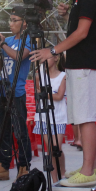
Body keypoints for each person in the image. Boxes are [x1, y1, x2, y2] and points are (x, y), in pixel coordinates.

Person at [30, 0, 96, 188]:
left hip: (85, 63)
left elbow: (83, 33)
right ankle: (91, 166)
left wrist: (52, 50)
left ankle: (88, 171)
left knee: (85, 117)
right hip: (78, 61)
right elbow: (80, 29)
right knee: (80, 117)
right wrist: (67, 17)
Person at [0, 6, 33, 182]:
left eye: (14, 20)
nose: (10, 23)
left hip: (16, 92)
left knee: (20, 131)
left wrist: (2, 43)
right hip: (1, 90)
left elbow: (19, 57)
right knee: (2, 131)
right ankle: (3, 166)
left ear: (24, 23)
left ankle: (24, 166)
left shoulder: (28, 40)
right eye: (9, 20)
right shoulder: (8, 40)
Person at [33, 50, 67, 182]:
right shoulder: (39, 76)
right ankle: (54, 180)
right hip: (43, 116)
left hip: (58, 116)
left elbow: (59, 96)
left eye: (46, 57)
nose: (43, 60)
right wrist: (46, 94)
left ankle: (62, 173)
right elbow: (38, 93)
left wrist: (44, 93)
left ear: (56, 58)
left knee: (56, 148)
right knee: (51, 149)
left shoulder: (63, 76)